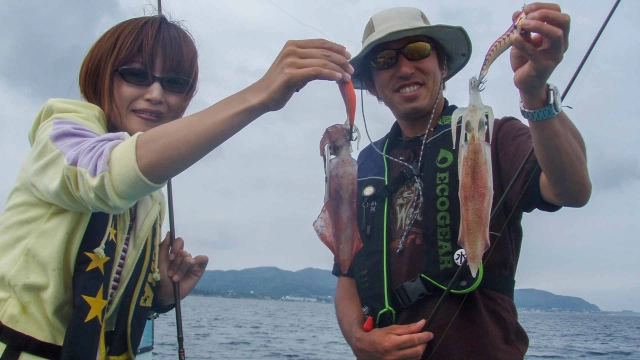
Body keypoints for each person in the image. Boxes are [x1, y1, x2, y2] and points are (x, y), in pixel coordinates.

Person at [0, 15, 353, 359]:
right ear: (102, 78)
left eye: (174, 84)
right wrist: (259, 95)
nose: (155, 94)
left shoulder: (150, 195)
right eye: (136, 75)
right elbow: (103, 174)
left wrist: (160, 295)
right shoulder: (62, 130)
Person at [333, 4, 591, 359]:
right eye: (384, 60)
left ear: (443, 66)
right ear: (373, 87)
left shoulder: (493, 136)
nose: (404, 67)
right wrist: (358, 340)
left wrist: (535, 91)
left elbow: (572, 190)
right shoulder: (365, 164)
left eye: (418, 51)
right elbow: (347, 273)